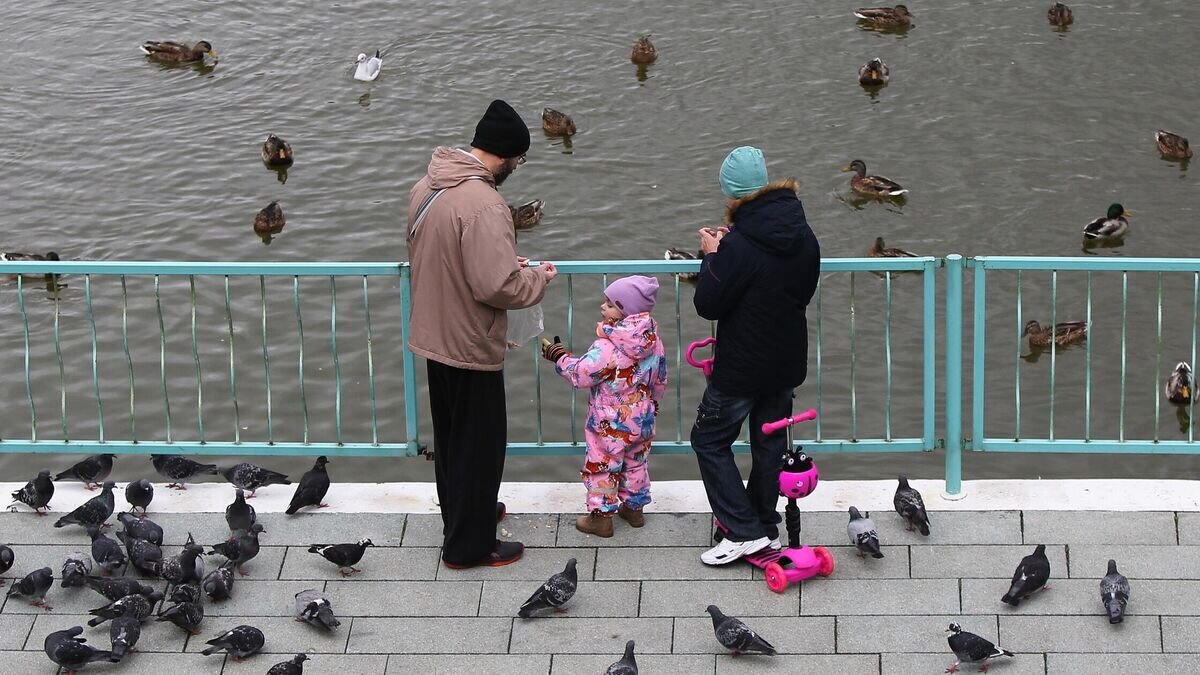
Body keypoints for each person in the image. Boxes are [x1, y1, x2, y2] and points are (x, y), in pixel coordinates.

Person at [406, 99, 558, 569]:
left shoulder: (428, 185)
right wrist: (538, 279)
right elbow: (497, 285)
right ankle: (469, 546)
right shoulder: (486, 204)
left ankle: (464, 516)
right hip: (470, 341)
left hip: (433, 332)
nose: (517, 167)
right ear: (508, 155)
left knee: (452, 440)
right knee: (481, 446)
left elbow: (448, 258)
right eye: (520, 159)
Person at [689, 146, 821, 565]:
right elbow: (802, 290)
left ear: (732, 195)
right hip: (786, 362)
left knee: (708, 440)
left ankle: (743, 531)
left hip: (741, 366)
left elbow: (708, 304)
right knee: (768, 444)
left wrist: (714, 254)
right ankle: (763, 523)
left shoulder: (740, 246)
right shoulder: (804, 235)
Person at [541, 276, 668, 538]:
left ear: (626, 311)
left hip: (609, 422)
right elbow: (660, 377)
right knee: (636, 462)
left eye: (610, 304)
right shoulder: (653, 341)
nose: (603, 307)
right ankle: (634, 510)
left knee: (602, 465)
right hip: (642, 417)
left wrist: (559, 357)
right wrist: (652, 404)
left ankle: (601, 518)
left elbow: (581, 374)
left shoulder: (607, 346)